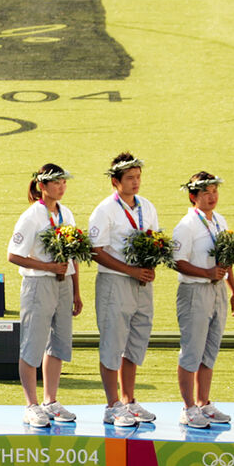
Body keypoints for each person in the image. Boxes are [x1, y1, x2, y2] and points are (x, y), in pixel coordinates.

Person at [7, 164, 83, 427]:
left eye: (64, 182)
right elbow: (13, 255)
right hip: (38, 285)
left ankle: (51, 401)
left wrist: (76, 291)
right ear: (42, 186)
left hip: (63, 285)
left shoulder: (67, 213)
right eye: (56, 183)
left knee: (59, 342)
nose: (61, 187)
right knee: (33, 343)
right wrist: (48, 267)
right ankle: (31, 404)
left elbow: (73, 255)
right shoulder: (31, 216)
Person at [87, 153, 159, 427]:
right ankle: (111, 405)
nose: (135, 182)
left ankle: (129, 400)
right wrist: (130, 270)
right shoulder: (104, 210)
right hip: (114, 283)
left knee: (136, 341)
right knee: (113, 344)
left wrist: (150, 266)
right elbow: (95, 251)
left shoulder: (147, 207)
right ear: (115, 181)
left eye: (138, 177)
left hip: (141, 283)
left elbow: (155, 241)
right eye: (130, 178)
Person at [172, 172, 234, 429]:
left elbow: (227, 257)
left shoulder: (220, 221)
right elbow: (177, 262)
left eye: (214, 191)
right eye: (205, 193)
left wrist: (233, 289)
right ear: (193, 196)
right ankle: (188, 408)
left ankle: (204, 403)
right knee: (192, 349)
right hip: (194, 292)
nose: (212, 197)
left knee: (210, 349)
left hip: (218, 292)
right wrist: (207, 274)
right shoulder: (186, 226)